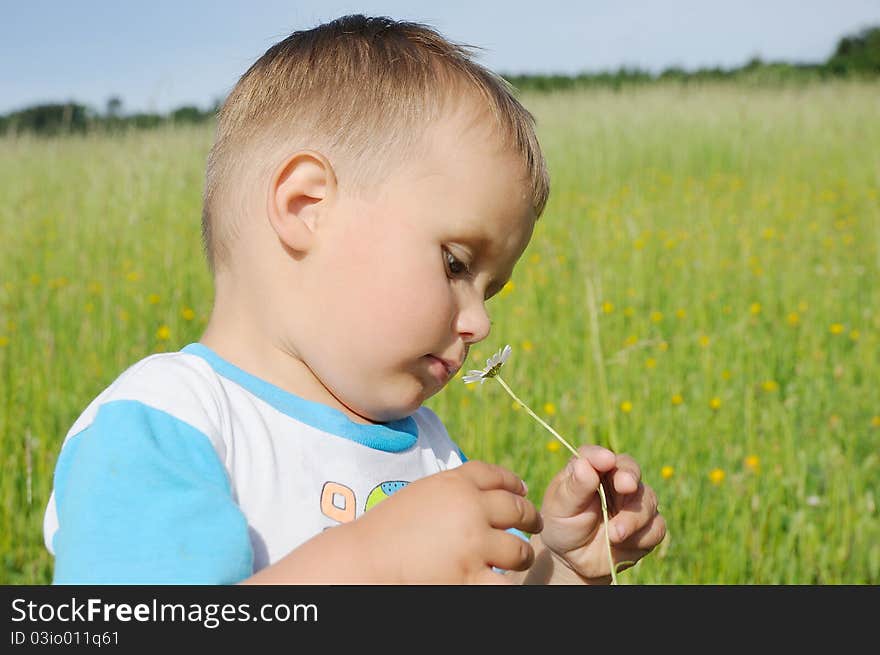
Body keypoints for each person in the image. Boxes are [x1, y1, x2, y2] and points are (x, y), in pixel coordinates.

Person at [43, 14, 666, 584]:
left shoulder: (427, 450)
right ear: (307, 208)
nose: (480, 321)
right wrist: (374, 562)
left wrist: (567, 569)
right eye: (455, 263)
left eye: (490, 290)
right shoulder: (168, 423)